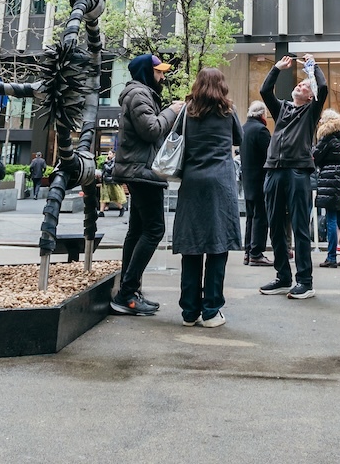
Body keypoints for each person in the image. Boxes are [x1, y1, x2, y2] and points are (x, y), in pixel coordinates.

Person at [171, 67, 243, 328]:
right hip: (220, 185)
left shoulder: (187, 111)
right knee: (217, 246)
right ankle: (211, 311)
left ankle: (189, 312)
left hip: (192, 183)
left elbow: (177, 138)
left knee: (191, 247)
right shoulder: (228, 110)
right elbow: (239, 138)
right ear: (221, 85)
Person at [109, 52, 179, 316]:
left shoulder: (140, 93)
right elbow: (150, 130)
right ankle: (126, 294)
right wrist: (171, 112)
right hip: (142, 172)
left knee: (137, 231)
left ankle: (130, 290)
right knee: (154, 230)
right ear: (146, 72)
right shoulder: (139, 94)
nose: (162, 75)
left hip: (139, 170)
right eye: (159, 71)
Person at [258, 54, 328, 298]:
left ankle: (305, 281)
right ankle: (283, 276)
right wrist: (276, 68)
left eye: (305, 86)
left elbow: (324, 87)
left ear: (310, 96)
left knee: (299, 227)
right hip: (274, 171)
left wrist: (312, 66)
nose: (300, 85)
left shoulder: (311, 112)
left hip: (298, 172)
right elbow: (265, 90)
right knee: (275, 226)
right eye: (298, 84)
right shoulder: (283, 109)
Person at [314, 109, 340, 267]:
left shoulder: (327, 139)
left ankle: (331, 257)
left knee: (331, 218)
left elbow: (315, 156)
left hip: (329, 180)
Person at [240, 101, 271, 266]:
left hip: (248, 180)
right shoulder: (261, 130)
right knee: (260, 216)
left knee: (250, 217)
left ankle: (248, 252)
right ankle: (256, 253)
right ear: (262, 114)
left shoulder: (244, 128)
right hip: (260, 180)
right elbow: (270, 154)